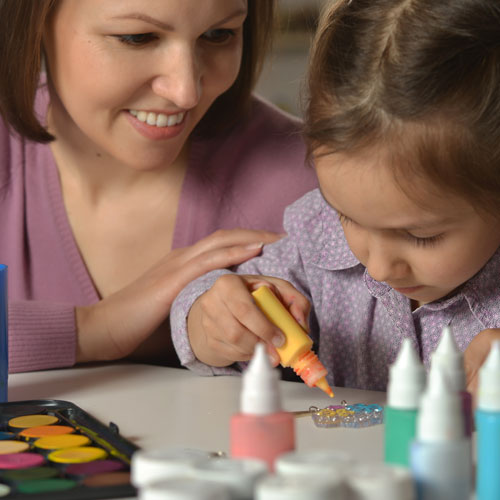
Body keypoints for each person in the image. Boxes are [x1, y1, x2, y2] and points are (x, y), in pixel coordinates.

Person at [170, 0, 500, 395]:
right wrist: (212, 321)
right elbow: (221, 297)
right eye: (350, 217)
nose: (377, 269)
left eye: (420, 236)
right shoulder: (319, 236)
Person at [0, 0, 318, 372]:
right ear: (34, 19)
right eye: (137, 38)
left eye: (219, 35)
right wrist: (94, 328)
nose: (186, 92)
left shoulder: (315, 187)